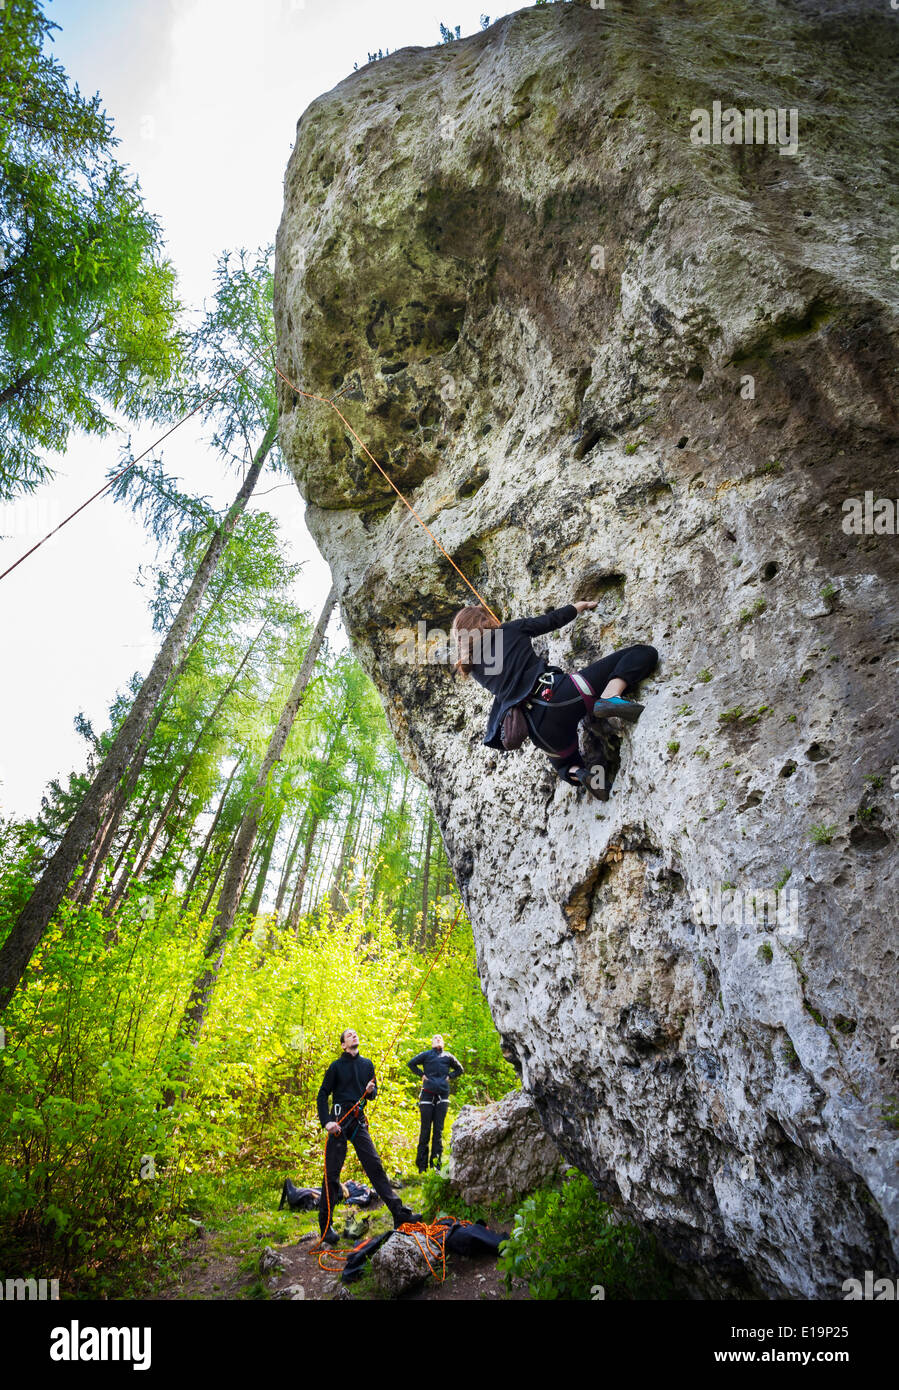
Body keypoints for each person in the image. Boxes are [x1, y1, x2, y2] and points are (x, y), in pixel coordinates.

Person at [451, 600, 658, 800]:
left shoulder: (473, 668)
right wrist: (579, 606)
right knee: (642, 653)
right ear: (485, 620)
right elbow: (552, 620)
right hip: (560, 693)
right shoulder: (511, 629)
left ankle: (583, 774)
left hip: (538, 728)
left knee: (565, 765)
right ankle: (610, 696)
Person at [316, 1028, 419, 1244]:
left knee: (375, 1166)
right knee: (332, 1175)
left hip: (358, 1120)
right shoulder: (336, 1067)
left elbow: (372, 1095)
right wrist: (327, 1122)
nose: (354, 1035)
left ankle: (399, 1214)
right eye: (349, 1035)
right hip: (339, 1121)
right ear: (343, 1045)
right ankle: (326, 1227)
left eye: (355, 1033)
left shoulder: (367, 1065)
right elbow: (323, 1093)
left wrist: (371, 1090)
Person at [408, 1034, 464, 1173]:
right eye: (435, 1038)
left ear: (443, 1043)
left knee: (438, 1131)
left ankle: (436, 1167)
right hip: (427, 1094)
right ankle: (422, 1167)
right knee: (425, 1130)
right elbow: (411, 1063)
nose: (438, 1039)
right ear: (431, 1043)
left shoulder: (448, 1056)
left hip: (442, 1095)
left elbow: (460, 1070)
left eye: (440, 1038)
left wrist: (449, 1076)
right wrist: (421, 1074)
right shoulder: (426, 1055)